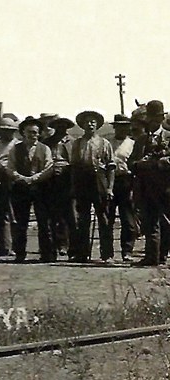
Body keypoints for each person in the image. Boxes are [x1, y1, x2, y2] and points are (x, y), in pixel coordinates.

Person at [63, 110, 116, 263]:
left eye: (93, 122)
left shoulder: (104, 143)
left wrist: (110, 187)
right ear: (83, 125)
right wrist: (73, 186)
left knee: (104, 219)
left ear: (97, 125)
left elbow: (111, 167)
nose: (90, 124)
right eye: (87, 122)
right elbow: (73, 166)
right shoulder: (77, 143)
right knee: (83, 219)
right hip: (82, 181)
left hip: (99, 180)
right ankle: (82, 253)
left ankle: (107, 254)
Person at [129, 100, 170, 266]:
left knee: (167, 223)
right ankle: (152, 257)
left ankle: (162, 255)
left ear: (161, 119)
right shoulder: (141, 140)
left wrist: (158, 163)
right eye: (151, 118)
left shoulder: (169, 137)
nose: (154, 121)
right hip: (145, 187)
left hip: (165, 187)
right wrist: (139, 164)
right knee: (149, 222)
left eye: (157, 118)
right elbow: (131, 162)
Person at [8, 117, 54, 262]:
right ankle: (20, 253)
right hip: (21, 188)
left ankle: (46, 254)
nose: (32, 135)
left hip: (41, 188)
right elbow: (10, 167)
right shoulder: (16, 149)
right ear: (23, 133)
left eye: (35, 132)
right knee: (21, 222)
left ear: (39, 134)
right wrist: (20, 177)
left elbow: (49, 167)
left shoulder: (44, 148)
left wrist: (35, 178)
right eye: (29, 132)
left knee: (43, 222)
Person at [42, 115, 75, 258]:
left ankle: (70, 246)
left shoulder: (73, 142)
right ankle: (54, 245)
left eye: (64, 126)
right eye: (58, 126)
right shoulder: (47, 142)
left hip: (68, 179)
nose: (61, 129)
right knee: (53, 214)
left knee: (70, 214)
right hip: (50, 180)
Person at [110, 114, 139, 263]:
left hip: (126, 181)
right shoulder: (107, 143)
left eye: (125, 126)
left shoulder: (133, 143)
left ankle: (127, 251)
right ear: (114, 127)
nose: (122, 129)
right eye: (119, 126)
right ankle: (107, 252)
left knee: (127, 219)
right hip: (109, 181)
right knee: (107, 217)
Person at [0, 117, 19, 257]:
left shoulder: (18, 145)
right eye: (4, 131)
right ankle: (3, 245)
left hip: (15, 182)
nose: (7, 133)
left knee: (14, 214)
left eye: (10, 131)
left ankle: (15, 246)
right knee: (0, 214)